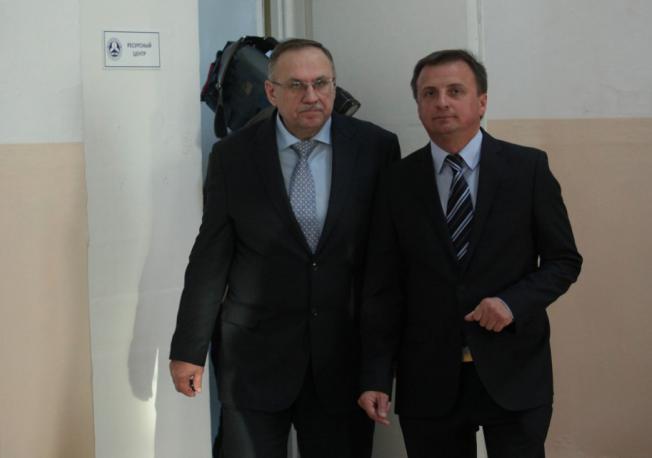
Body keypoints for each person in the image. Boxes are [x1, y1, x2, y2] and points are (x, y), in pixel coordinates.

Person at [169, 38, 400, 458]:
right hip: (253, 358)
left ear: (334, 87)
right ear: (271, 91)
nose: (311, 96)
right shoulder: (233, 156)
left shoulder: (376, 148)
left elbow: (382, 269)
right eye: (296, 85)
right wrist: (189, 350)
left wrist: (378, 370)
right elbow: (209, 260)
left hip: (342, 360)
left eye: (321, 83)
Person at [357, 49, 582, 458]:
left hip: (514, 373)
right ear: (419, 106)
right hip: (427, 379)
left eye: (455, 91)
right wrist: (375, 375)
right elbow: (382, 288)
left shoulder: (527, 169)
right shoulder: (396, 182)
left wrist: (512, 303)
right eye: (430, 93)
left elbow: (563, 261)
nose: (442, 102)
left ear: (481, 101)